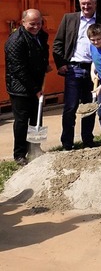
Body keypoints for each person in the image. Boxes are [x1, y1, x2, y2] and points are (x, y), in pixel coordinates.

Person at [53, 0, 101, 150]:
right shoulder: (69, 19)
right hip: (73, 68)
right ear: (80, 4)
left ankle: (88, 140)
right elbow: (57, 43)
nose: (86, 6)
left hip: (93, 70)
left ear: (95, 4)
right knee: (70, 107)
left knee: (90, 107)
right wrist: (61, 64)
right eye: (83, 4)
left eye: (89, 4)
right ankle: (67, 143)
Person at [4, 9, 50, 166]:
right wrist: (35, 89)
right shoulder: (16, 41)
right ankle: (19, 154)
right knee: (22, 121)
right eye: (32, 24)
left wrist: (46, 65)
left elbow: (43, 51)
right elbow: (19, 70)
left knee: (36, 118)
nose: (36, 27)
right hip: (20, 88)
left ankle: (35, 148)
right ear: (23, 22)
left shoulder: (40, 35)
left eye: (39, 23)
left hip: (37, 84)